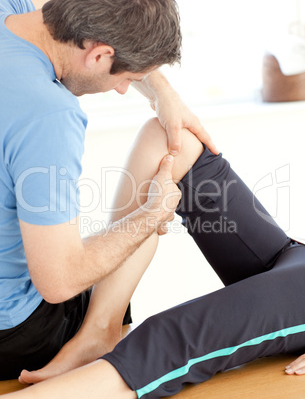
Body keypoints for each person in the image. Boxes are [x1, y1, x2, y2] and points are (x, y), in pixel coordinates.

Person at [0, 0, 220, 383]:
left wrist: (160, 91)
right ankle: (97, 335)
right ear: (100, 54)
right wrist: (151, 213)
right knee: (169, 152)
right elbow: (59, 281)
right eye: (129, 79)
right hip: (13, 335)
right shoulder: (49, 114)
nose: (122, 90)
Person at [3, 118, 305, 398]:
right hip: (295, 254)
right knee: (166, 138)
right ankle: (98, 331)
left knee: (177, 333)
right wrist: (159, 90)